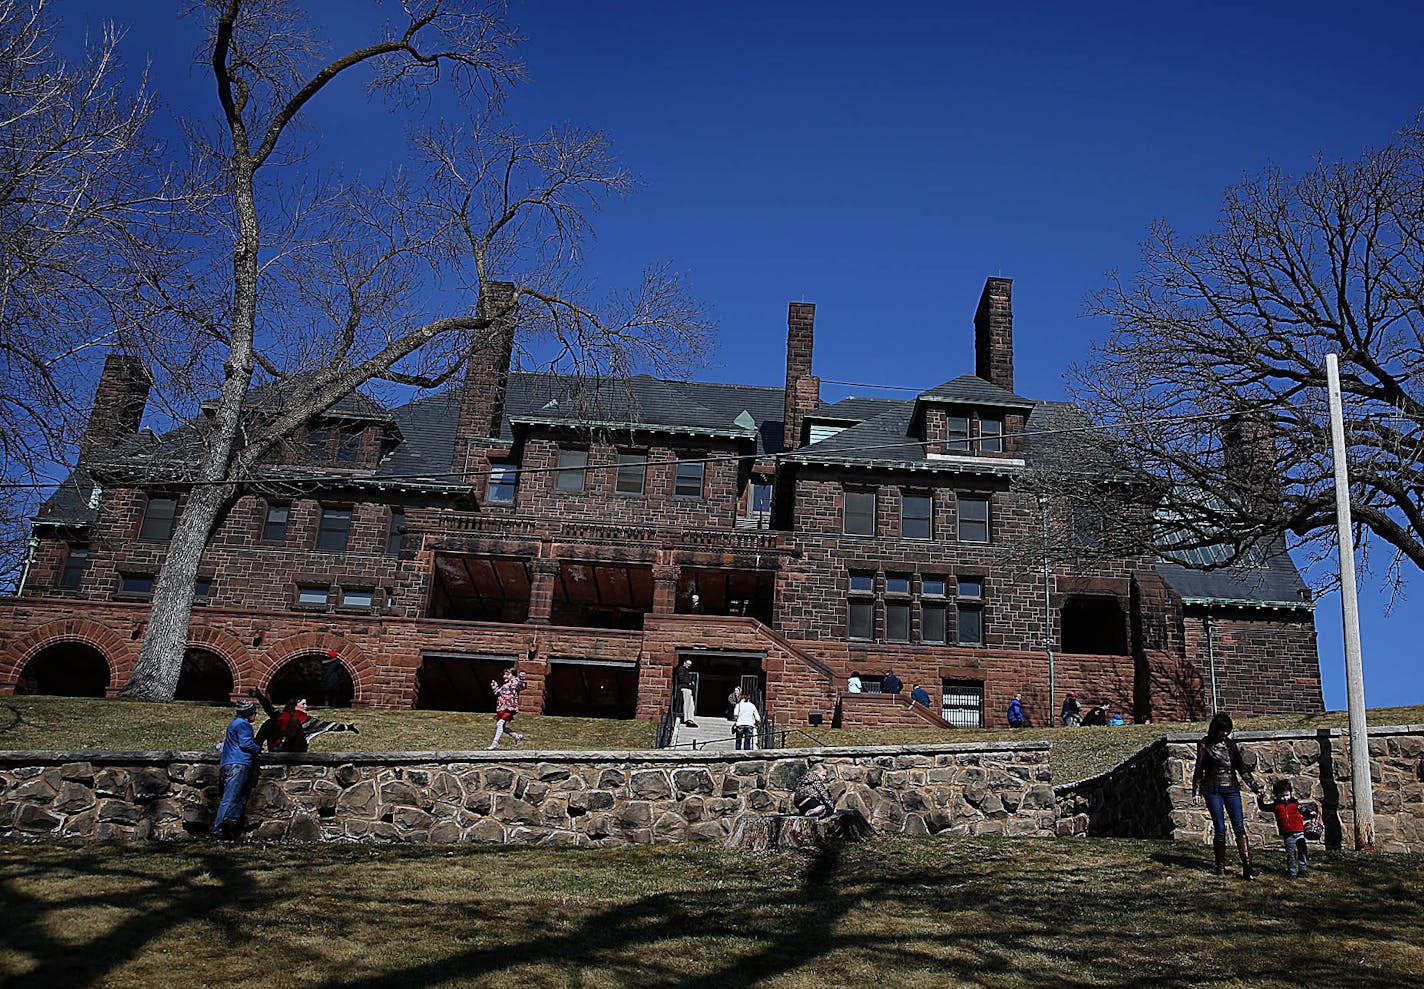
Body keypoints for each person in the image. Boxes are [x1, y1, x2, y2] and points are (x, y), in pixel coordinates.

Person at [1191, 711, 1261, 878]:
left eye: (1227, 731)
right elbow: (1199, 770)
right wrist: (1197, 791)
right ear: (1215, 729)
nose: (1224, 734)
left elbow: (1241, 767)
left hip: (1231, 787)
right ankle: (1220, 867)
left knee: (1239, 826)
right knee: (1220, 827)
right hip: (1212, 788)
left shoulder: (1230, 745)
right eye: (1222, 730)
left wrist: (1255, 787)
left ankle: (1247, 866)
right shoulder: (1204, 744)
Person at [212, 699, 261, 839]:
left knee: (239, 797)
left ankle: (230, 827)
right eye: (254, 712)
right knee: (231, 797)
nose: (255, 715)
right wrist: (258, 748)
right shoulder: (243, 725)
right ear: (248, 713)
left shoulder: (233, 724)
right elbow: (246, 744)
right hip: (238, 764)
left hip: (227, 763)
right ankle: (219, 828)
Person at [252, 691, 359, 752]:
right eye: (303, 704)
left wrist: (347, 727)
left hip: (295, 749)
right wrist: (260, 697)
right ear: (294, 705)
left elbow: (328, 726)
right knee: (270, 722)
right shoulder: (283, 716)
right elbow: (270, 709)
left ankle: (285, 743)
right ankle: (255, 746)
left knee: (294, 721)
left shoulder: (308, 721)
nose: (306, 707)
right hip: (276, 746)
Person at [1258, 779, 1313, 878]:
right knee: (1290, 854)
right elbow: (1264, 807)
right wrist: (1260, 798)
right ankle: (1292, 872)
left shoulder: (1295, 804)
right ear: (1277, 795)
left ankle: (1303, 869)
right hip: (1287, 833)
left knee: (1302, 851)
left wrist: (1310, 813)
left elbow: (1304, 811)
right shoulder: (1276, 805)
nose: (1284, 798)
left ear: (1291, 794)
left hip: (1299, 831)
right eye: (1282, 796)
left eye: (1287, 795)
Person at [487, 667, 528, 749]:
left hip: (509, 708)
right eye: (504, 674)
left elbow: (522, 685)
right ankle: (516, 736)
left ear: (513, 675)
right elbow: (497, 693)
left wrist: (521, 678)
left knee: (499, 724)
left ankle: (495, 742)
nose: (504, 676)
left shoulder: (515, 682)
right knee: (502, 727)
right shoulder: (505, 685)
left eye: (507, 674)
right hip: (502, 707)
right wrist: (495, 687)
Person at [674, 657, 698, 728]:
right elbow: (681, 679)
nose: (689, 666)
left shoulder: (686, 671)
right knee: (686, 704)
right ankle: (687, 719)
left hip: (688, 689)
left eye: (690, 665)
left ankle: (690, 719)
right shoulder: (681, 669)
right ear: (684, 663)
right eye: (688, 664)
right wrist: (689, 682)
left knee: (691, 705)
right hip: (685, 689)